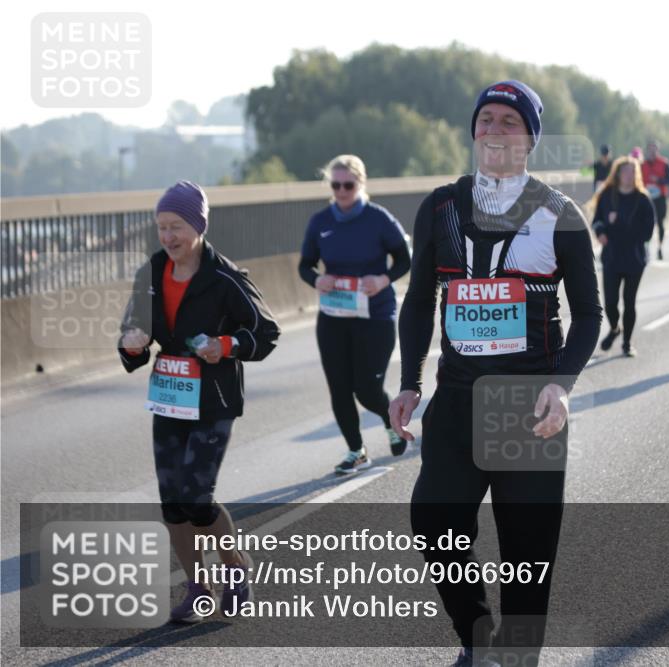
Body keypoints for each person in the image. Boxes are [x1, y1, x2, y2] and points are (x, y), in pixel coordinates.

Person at [389, 80, 601, 667]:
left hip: (527, 403)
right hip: (456, 397)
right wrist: (410, 383)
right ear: (473, 131)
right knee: (434, 521)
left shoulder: (559, 213)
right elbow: (418, 300)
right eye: (486, 118)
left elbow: (588, 314)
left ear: (531, 138)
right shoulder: (440, 207)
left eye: (509, 120)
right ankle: (476, 632)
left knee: (526, 554)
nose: (495, 128)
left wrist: (561, 385)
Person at [118, 181, 281, 623]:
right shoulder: (151, 272)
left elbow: (266, 334)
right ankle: (197, 588)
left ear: (199, 225)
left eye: (176, 227)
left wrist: (225, 345)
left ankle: (235, 568)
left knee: (197, 497)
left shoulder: (225, 276)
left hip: (214, 399)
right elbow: (134, 326)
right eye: (161, 228)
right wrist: (133, 343)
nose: (168, 237)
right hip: (170, 398)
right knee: (172, 502)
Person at [299, 155, 412, 475]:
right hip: (334, 315)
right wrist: (317, 279)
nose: (342, 191)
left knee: (366, 388)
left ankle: (391, 420)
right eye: (335, 185)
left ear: (360, 184)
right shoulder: (321, 222)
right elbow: (304, 265)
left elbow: (405, 259)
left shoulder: (379, 219)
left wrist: (383, 279)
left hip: (375, 315)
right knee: (339, 387)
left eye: (348, 185)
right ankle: (356, 451)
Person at [590, 155, 656, 356]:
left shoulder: (643, 199)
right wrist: (601, 232)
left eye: (632, 171)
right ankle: (614, 328)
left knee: (629, 301)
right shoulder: (607, 195)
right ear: (617, 174)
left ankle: (627, 343)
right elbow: (597, 221)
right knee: (610, 302)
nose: (629, 175)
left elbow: (648, 232)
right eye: (625, 171)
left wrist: (620, 223)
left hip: (634, 258)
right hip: (611, 256)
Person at [641, 140, 669, 260]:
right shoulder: (642, 165)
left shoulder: (664, 163)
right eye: (650, 149)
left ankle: (660, 247)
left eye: (654, 148)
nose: (652, 151)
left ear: (658, 150)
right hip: (646, 199)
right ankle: (646, 247)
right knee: (646, 223)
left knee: (660, 223)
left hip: (660, 198)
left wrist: (658, 180)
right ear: (647, 151)